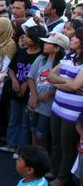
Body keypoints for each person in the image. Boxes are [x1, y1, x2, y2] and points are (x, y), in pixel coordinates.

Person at [0, 26, 45, 158]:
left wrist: (25, 85)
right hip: (15, 89)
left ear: (36, 39)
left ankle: (21, 149)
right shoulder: (21, 52)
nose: (25, 38)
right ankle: (10, 144)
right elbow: (12, 68)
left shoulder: (40, 57)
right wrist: (14, 81)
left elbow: (37, 76)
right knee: (14, 118)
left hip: (29, 93)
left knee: (25, 123)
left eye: (28, 36)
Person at [48, 28, 83, 185]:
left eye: (76, 37)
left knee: (67, 146)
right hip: (57, 107)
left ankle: (62, 177)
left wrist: (60, 82)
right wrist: (68, 83)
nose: (73, 39)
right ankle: (54, 170)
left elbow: (75, 86)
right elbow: (50, 75)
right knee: (55, 143)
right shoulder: (69, 56)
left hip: (72, 113)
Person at [27, 32, 67, 151]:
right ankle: (34, 156)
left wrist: (49, 93)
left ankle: (43, 158)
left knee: (41, 133)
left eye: (49, 43)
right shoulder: (41, 58)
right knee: (33, 129)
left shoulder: (62, 64)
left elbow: (63, 84)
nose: (45, 44)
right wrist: (34, 96)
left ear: (57, 48)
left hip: (48, 104)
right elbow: (31, 77)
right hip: (35, 101)